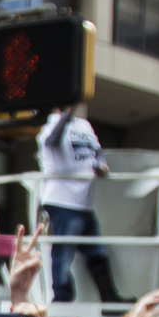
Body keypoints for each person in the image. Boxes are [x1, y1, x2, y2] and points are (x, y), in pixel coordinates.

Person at [37, 105, 119, 304]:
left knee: (96, 251)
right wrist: (64, 118)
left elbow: (96, 150)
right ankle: (62, 298)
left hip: (84, 202)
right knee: (63, 253)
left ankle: (109, 297)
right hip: (62, 200)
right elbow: (51, 142)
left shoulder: (84, 125)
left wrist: (101, 165)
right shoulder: (49, 128)